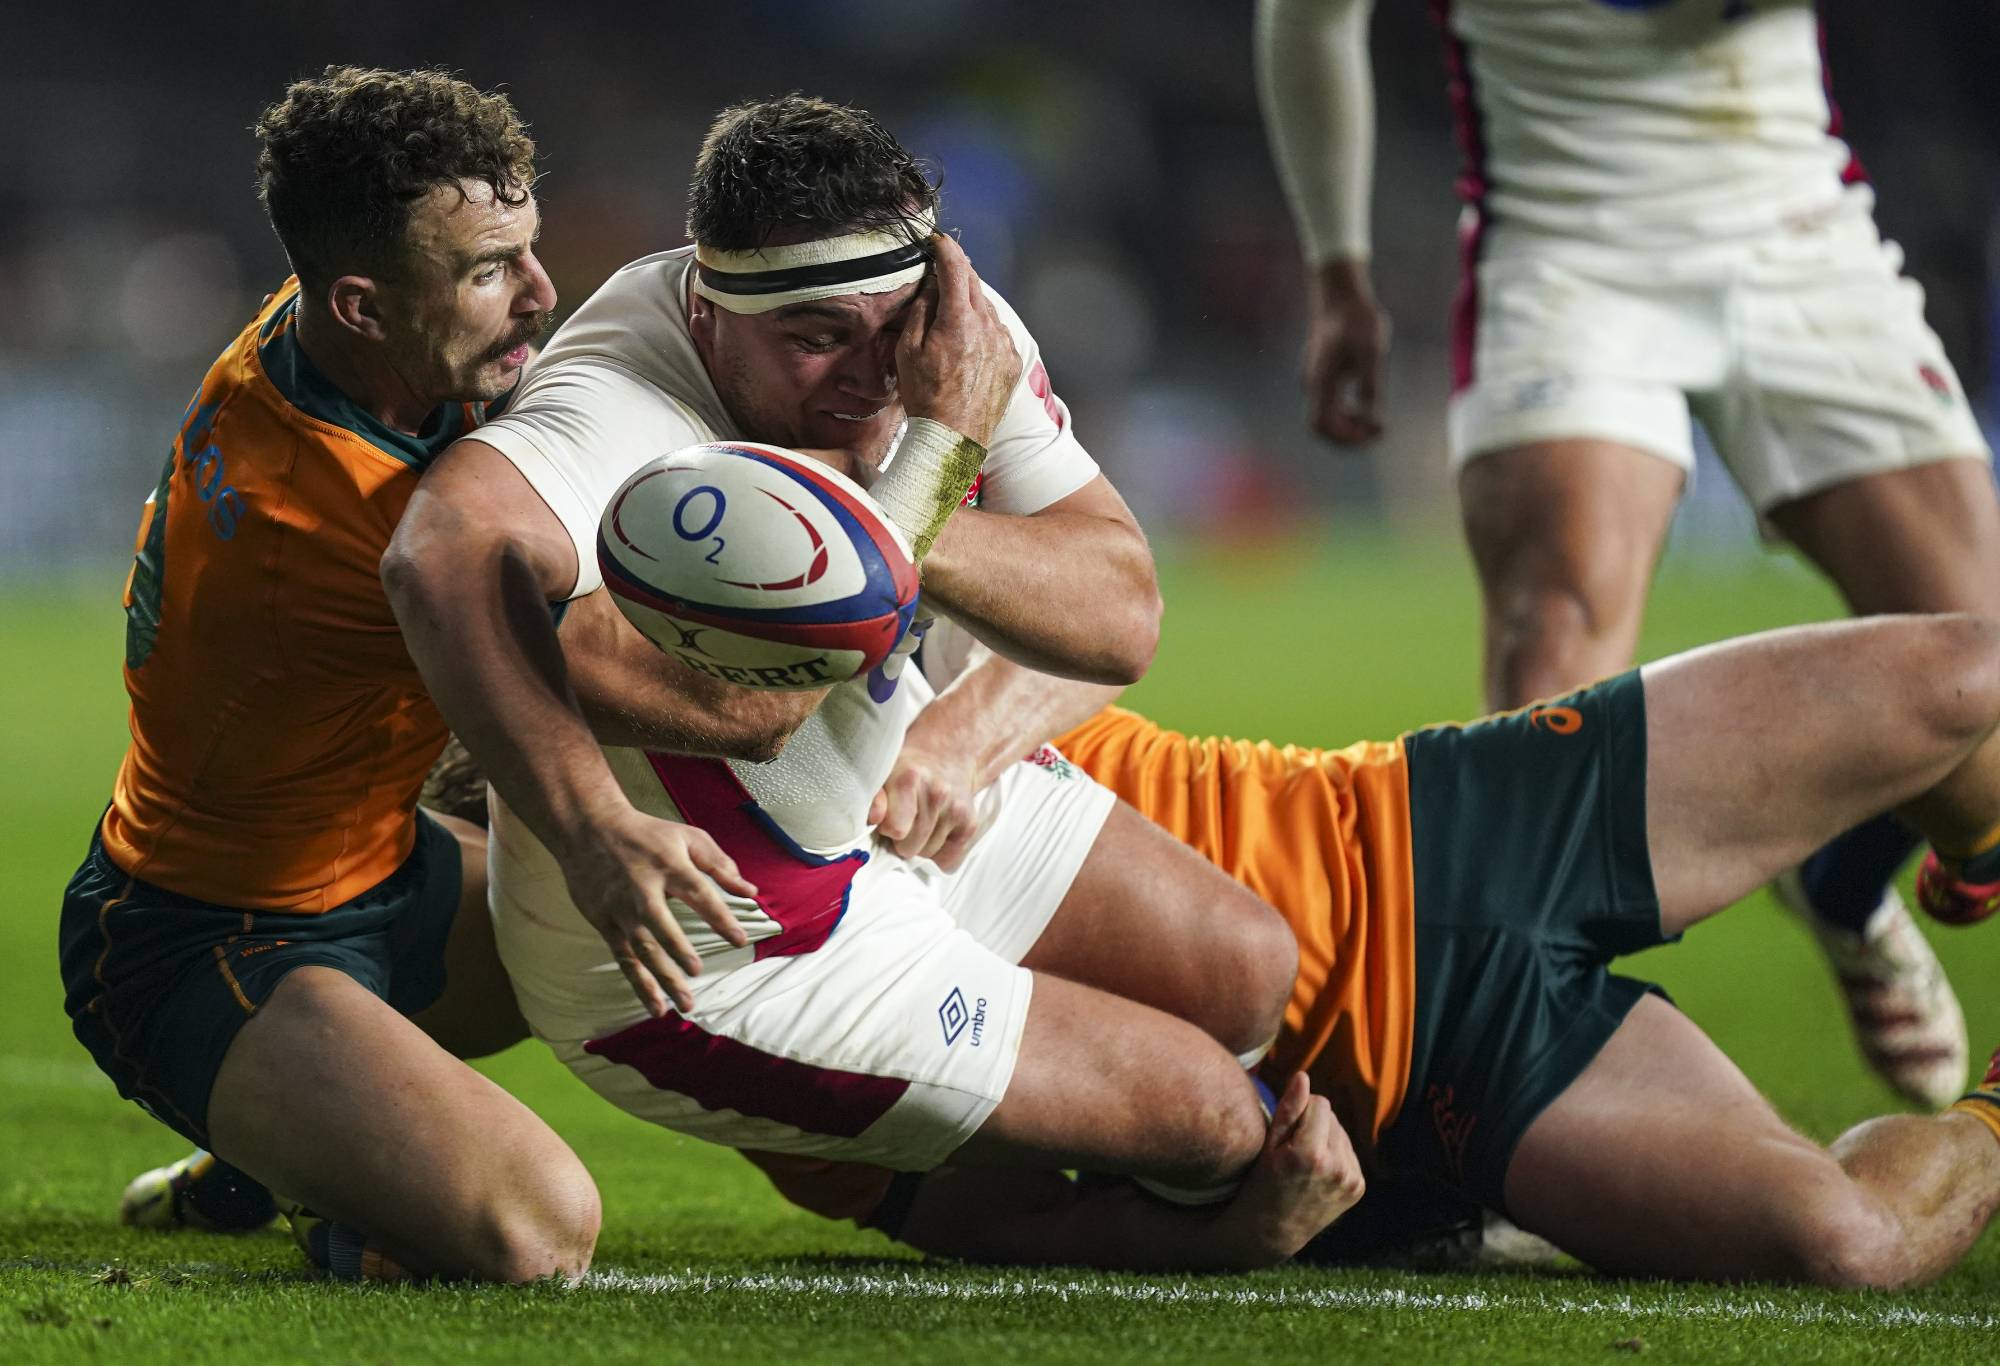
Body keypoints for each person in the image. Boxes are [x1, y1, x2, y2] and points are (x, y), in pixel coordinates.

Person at [382, 95, 1350, 1263]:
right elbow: (441, 556)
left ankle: (863, 1134)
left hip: (878, 796)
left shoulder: (946, 335)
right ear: (705, 308)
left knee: (1248, 973)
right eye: (814, 337)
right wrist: (587, 826)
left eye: (894, 327)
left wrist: (923, 556)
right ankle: (961, 1182)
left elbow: (1119, 612)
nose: (872, 375)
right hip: (725, 950)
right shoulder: (617, 392)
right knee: (1206, 1122)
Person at [735, 611, 2000, 1285]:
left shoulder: (865, 636)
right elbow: (1000, 1227)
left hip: (1435, 816)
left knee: (1969, 680)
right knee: (1849, 1245)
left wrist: (960, 736)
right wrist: (1231, 1236)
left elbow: (1103, 602)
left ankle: (1938, 854)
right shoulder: (750, 995)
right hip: (1438, 1081)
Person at [1254, 0, 1998, 1106]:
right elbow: (1308, 17)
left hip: (1796, 232)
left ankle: (1837, 881)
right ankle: (1504, 1104)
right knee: (1547, 656)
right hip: (1567, 245)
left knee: (1979, 686)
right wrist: (1335, 271)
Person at [62, 66, 601, 1284]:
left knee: (603, 946)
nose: (539, 294)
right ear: (360, 304)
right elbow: (644, 677)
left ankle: (295, 1132)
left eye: (527, 249)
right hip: (203, 944)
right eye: (487, 271)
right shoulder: (339, 525)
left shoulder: (327, 337)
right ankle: (306, 1150)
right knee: (537, 1231)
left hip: (375, 865)